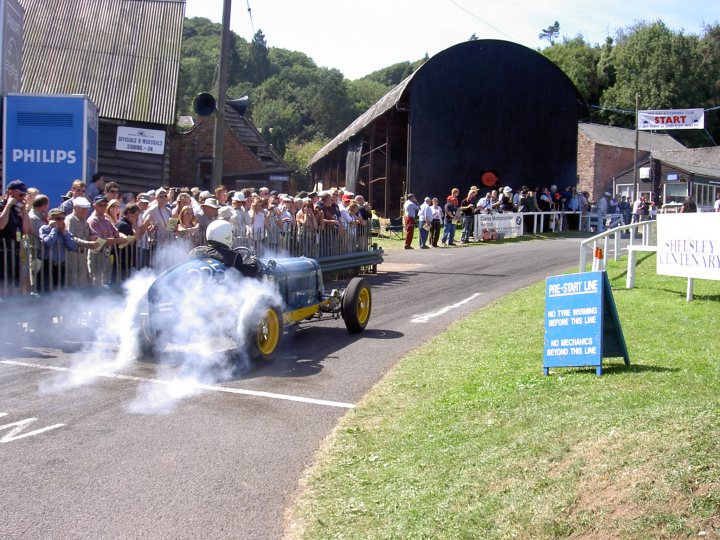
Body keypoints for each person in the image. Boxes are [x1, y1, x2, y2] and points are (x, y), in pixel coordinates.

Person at [189, 220, 260, 278]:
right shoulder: (233, 257)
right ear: (226, 235)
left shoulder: (195, 252)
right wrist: (253, 263)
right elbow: (246, 274)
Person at [0, 180, 31, 294]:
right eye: (20, 194)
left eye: (24, 195)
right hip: (3, 253)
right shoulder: (3, 206)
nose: (22, 197)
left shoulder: (17, 209)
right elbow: (1, 225)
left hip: (15, 252)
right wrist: (8, 205)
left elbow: (25, 230)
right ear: (10, 192)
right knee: (3, 284)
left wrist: (24, 211)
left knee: (14, 284)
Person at [38, 208, 78, 290]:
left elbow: (73, 247)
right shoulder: (45, 229)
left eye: (63, 218)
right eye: (58, 219)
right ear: (50, 219)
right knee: (47, 291)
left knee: (60, 292)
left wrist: (64, 234)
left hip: (61, 266)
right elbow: (48, 243)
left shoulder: (64, 231)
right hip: (48, 266)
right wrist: (54, 229)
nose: (61, 221)